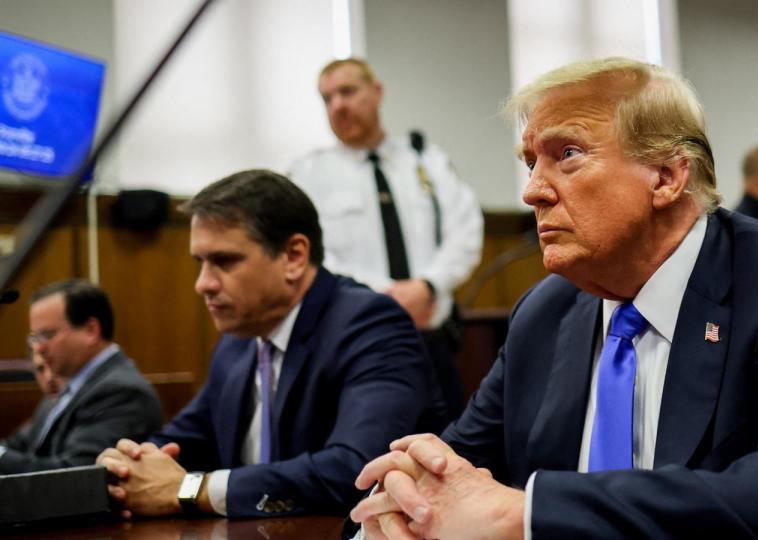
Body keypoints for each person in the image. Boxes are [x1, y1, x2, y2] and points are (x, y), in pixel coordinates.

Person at [347, 58, 758, 539]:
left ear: (667, 177)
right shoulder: (544, 313)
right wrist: (407, 497)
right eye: (530, 162)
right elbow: (454, 470)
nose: (532, 191)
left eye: (566, 154)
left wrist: (525, 513)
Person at [97, 170, 445, 519]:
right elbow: (185, 440)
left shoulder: (371, 324)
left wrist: (191, 489)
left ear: (294, 256)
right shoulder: (237, 343)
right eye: (200, 263)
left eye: (224, 261)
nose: (203, 284)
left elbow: (356, 469)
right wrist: (130, 466)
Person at [289, 58, 484, 422]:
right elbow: (315, 255)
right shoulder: (309, 174)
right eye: (327, 99)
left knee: (449, 453)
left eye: (347, 92)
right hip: (361, 341)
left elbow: (465, 227)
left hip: (432, 336)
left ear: (376, 92)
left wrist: (428, 285)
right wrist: (386, 295)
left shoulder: (425, 160)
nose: (338, 106)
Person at [0, 280, 162, 474]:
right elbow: (18, 445)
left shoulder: (120, 391)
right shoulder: (70, 385)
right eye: (34, 338)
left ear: (91, 330)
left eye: (47, 335)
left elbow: (75, 474)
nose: (38, 348)